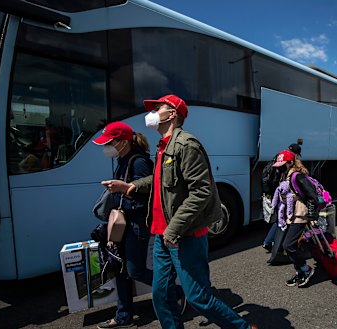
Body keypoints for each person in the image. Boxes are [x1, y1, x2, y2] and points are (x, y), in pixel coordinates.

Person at [102, 95, 255, 329]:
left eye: (158, 108)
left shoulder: (186, 145)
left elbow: (201, 192)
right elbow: (159, 181)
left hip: (184, 235)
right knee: (161, 296)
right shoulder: (163, 146)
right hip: (164, 235)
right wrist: (131, 186)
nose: (152, 113)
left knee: (199, 298)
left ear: (172, 114)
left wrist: (173, 230)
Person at [93, 122, 155, 329]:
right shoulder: (123, 159)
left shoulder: (138, 162)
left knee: (135, 271)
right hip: (124, 223)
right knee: (120, 270)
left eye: (110, 142)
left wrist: (122, 189)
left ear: (123, 141)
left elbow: (148, 193)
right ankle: (123, 317)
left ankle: (175, 291)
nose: (106, 147)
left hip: (136, 223)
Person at [272, 149, 318, 287]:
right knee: (288, 246)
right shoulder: (286, 175)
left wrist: (312, 216)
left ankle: (306, 269)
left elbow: (312, 195)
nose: (279, 167)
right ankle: (299, 272)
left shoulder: (297, 176)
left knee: (289, 245)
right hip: (290, 214)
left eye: (282, 164)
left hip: (300, 214)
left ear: (291, 163)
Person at [261, 143, 302, 252]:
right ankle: (270, 242)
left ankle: (269, 241)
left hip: (274, 192)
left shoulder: (278, 157)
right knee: (281, 219)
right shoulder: (287, 162)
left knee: (279, 218)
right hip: (280, 193)